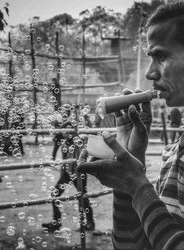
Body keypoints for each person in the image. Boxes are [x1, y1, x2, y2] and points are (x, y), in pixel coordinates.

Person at [77, 2, 184, 249]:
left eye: (161, 56)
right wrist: (128, 176)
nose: (149, 73)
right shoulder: (176, 151)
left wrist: (138, 188)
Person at [42, 107, 95, 232]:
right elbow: (64, 161)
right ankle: (56, 222)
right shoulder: (65, 144)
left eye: (66, 131)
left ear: (72, 131)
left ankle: (89, 223)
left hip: (79, 172)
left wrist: (78, 115)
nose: (64, 133)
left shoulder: (79, 141)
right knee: (54, 194)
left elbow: (85, 134)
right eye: (63, 131)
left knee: (83, 197)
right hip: (67, 173)